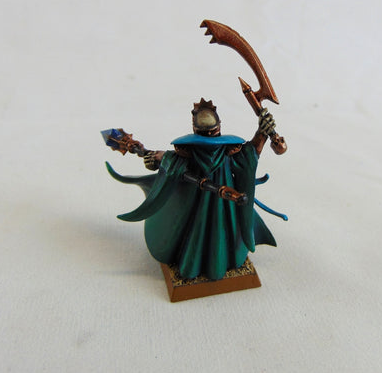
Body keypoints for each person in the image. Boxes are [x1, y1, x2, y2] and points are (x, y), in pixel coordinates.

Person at [105, 98, 280, 280]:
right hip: (194, 206)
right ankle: (194, 262)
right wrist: (155, 159)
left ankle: (218, 260)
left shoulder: (229, 152)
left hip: (225, 207)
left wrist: (262, 132)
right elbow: (164, 160)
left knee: (222, 231)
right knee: (196, 232)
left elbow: (249, 155)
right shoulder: (187, 154)